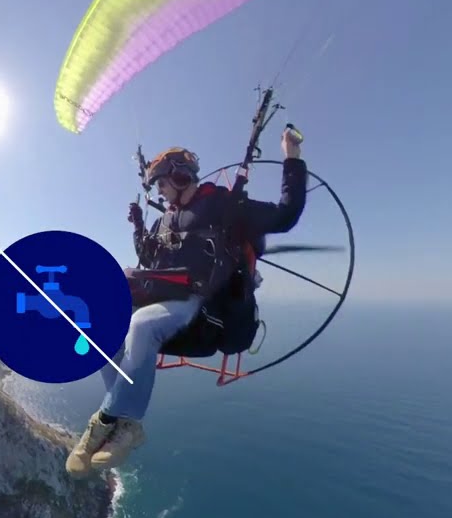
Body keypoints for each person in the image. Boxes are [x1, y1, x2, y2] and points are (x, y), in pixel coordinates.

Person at [65, 128, 310, 478]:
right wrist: (138, 225)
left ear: (180, 176)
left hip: (205, 311)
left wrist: (292, 156)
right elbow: (149, 258)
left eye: (162, 185)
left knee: (141, 325)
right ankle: (126, 429)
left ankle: (105, 422)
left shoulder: (224, 204)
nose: (160, 194)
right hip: (167, 302)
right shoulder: (166, 219)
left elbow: (286, 215)